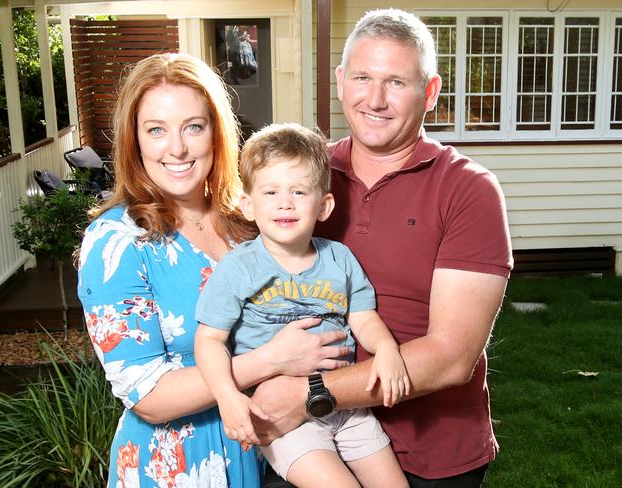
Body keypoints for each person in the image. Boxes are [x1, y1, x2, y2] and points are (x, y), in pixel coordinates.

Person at [251, 9, 514, 488]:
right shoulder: (302, 180)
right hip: (311, 444)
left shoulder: (468, 190)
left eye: (396, 82)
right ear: (340, 81)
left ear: (430, 92)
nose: (374, 99)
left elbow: (452, 356)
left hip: (431, 454)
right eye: (362, 77)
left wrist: (307, 392)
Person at [77, 53, 349, 488]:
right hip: (175, 465)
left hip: (267, 450)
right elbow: (147, 396)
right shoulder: (117, 242)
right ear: (135, 141)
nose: (178, 148)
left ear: (216, 132)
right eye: (156, 130)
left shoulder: (248, 221)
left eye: (193, 126)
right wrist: (269, 360)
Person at [194, 123, 410, 488]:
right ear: (248, 204)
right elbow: (209, 340)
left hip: (346, 405)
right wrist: (227, 395)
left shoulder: (339, 259)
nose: (285, 202)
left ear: (324, 205)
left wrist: (387, 348)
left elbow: (363, 317)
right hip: (284, 421)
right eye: (271, 191)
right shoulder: (239, 267)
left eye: (298, 191)